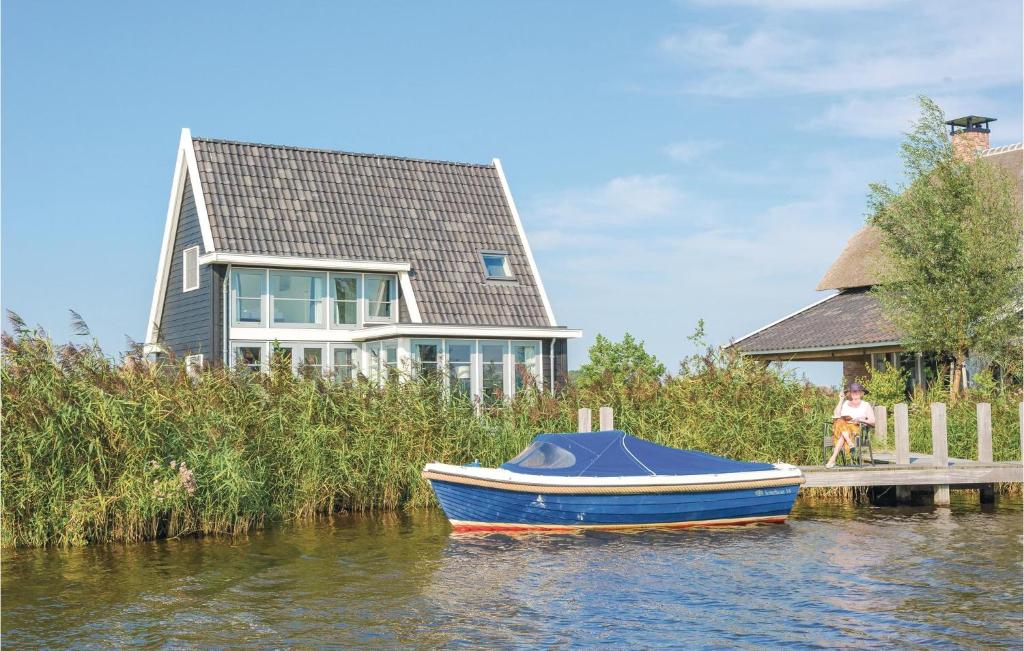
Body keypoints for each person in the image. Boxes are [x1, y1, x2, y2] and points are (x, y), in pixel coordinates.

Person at [826, 382, 875, 468]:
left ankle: (833, 459)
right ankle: (850, 443)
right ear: (850, 393)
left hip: (855, 429)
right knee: (840, 420)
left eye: (857, 391)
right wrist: (841, 400)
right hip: (843, 428)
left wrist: (861, 419)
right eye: (853, 391)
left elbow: (873, 422)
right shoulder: (845, 403)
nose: (855, 393)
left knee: (843, 433)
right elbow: (836, 414)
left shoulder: (865, 405)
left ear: (861, 393)